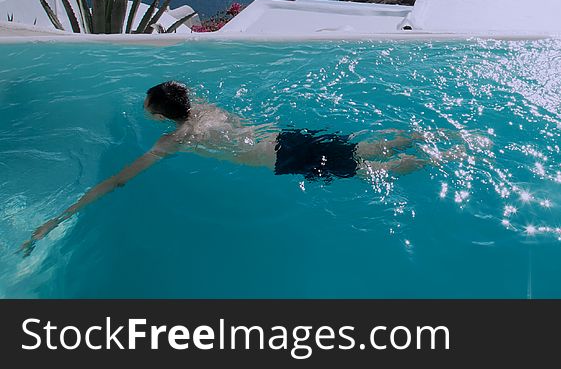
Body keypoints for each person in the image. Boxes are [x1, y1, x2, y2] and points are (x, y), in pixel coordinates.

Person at [21, 81, 434, 256]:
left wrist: (57, 219)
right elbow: (182, 96)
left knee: (365, 170)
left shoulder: (176, 139)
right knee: (358, 148)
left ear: (161, 114)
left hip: (281, 157)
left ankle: (438, 159)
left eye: (149, 108)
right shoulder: (204, 108)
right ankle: (423, 136)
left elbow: (117, 180)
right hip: (286, 136)